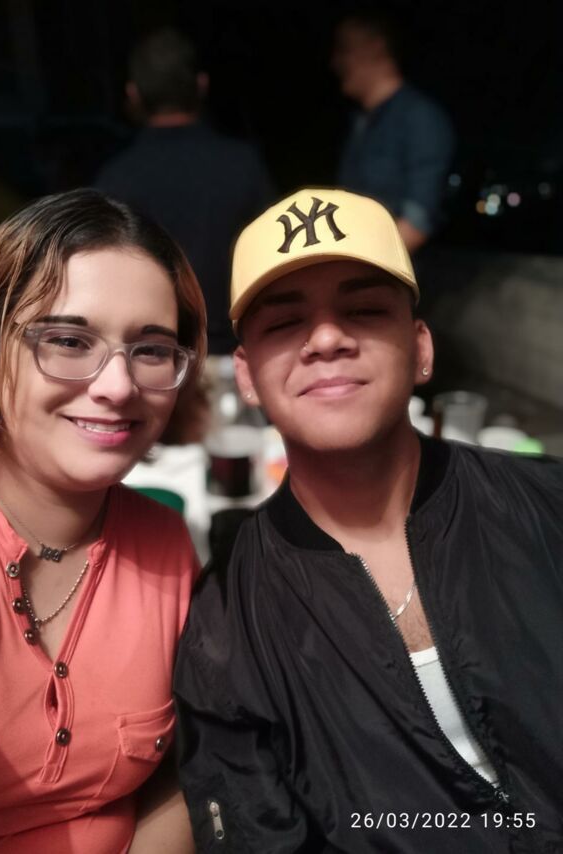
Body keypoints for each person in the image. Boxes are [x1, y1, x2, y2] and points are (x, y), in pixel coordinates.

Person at [174, 188, 563, 852]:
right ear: (246, 375)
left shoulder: (546, 507)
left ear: (421, 347)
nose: (327, 338)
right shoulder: (228, 622)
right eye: (285, 322)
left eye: (363, 310)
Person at [0, 188, 206, 853]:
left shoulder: (165, 546)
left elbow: (182, 772)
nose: (117, 386)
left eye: (151, 350)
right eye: (70, 341)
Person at [95, 27, 274, 356]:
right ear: (202, 85)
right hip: (238, 352)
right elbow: (271, 262)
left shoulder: (115, 179)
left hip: (152, 359)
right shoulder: (243, 165)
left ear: (133, 94)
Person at [332, 11, 455, 253]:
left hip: (395, 273)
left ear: (375, 48)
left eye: (344, 50)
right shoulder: (361, 124)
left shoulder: (419, 117)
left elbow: (417, 224)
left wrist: (358, 265)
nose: (335, 62)